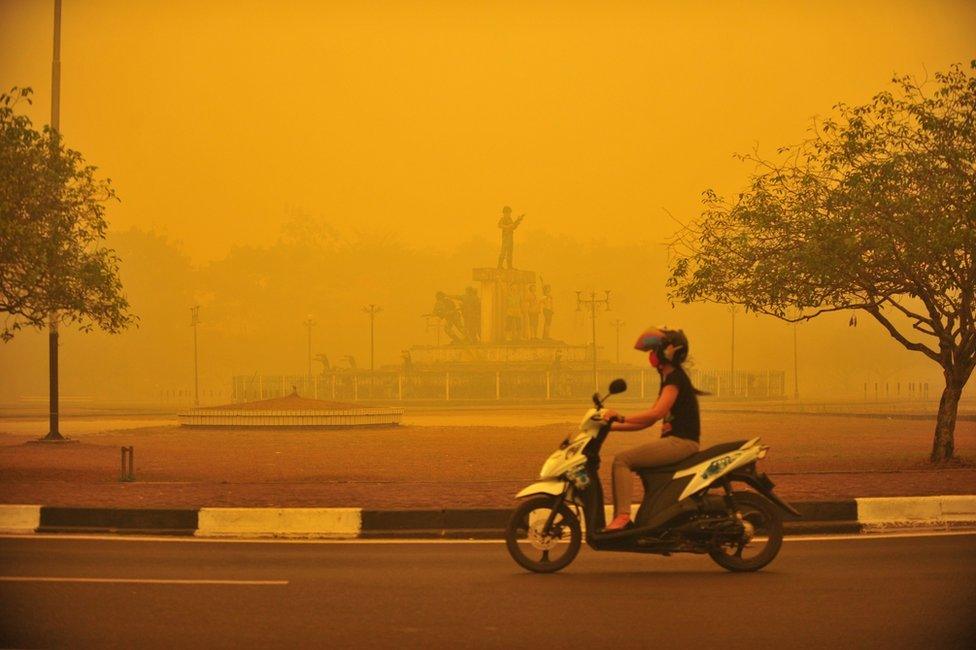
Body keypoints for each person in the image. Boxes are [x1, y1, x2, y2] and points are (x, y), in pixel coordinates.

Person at [599, 326, 704, 531]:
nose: (650, 355)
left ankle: (622, 518)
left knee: (622, 460)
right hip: (675, 442)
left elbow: (656, 414)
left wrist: (620, 417)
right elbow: (647, 421)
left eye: (653, 350)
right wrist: (610, 427)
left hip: (682, 442)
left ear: (666, 352)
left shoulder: (675, 379)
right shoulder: (668, 378)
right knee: (628, 461)